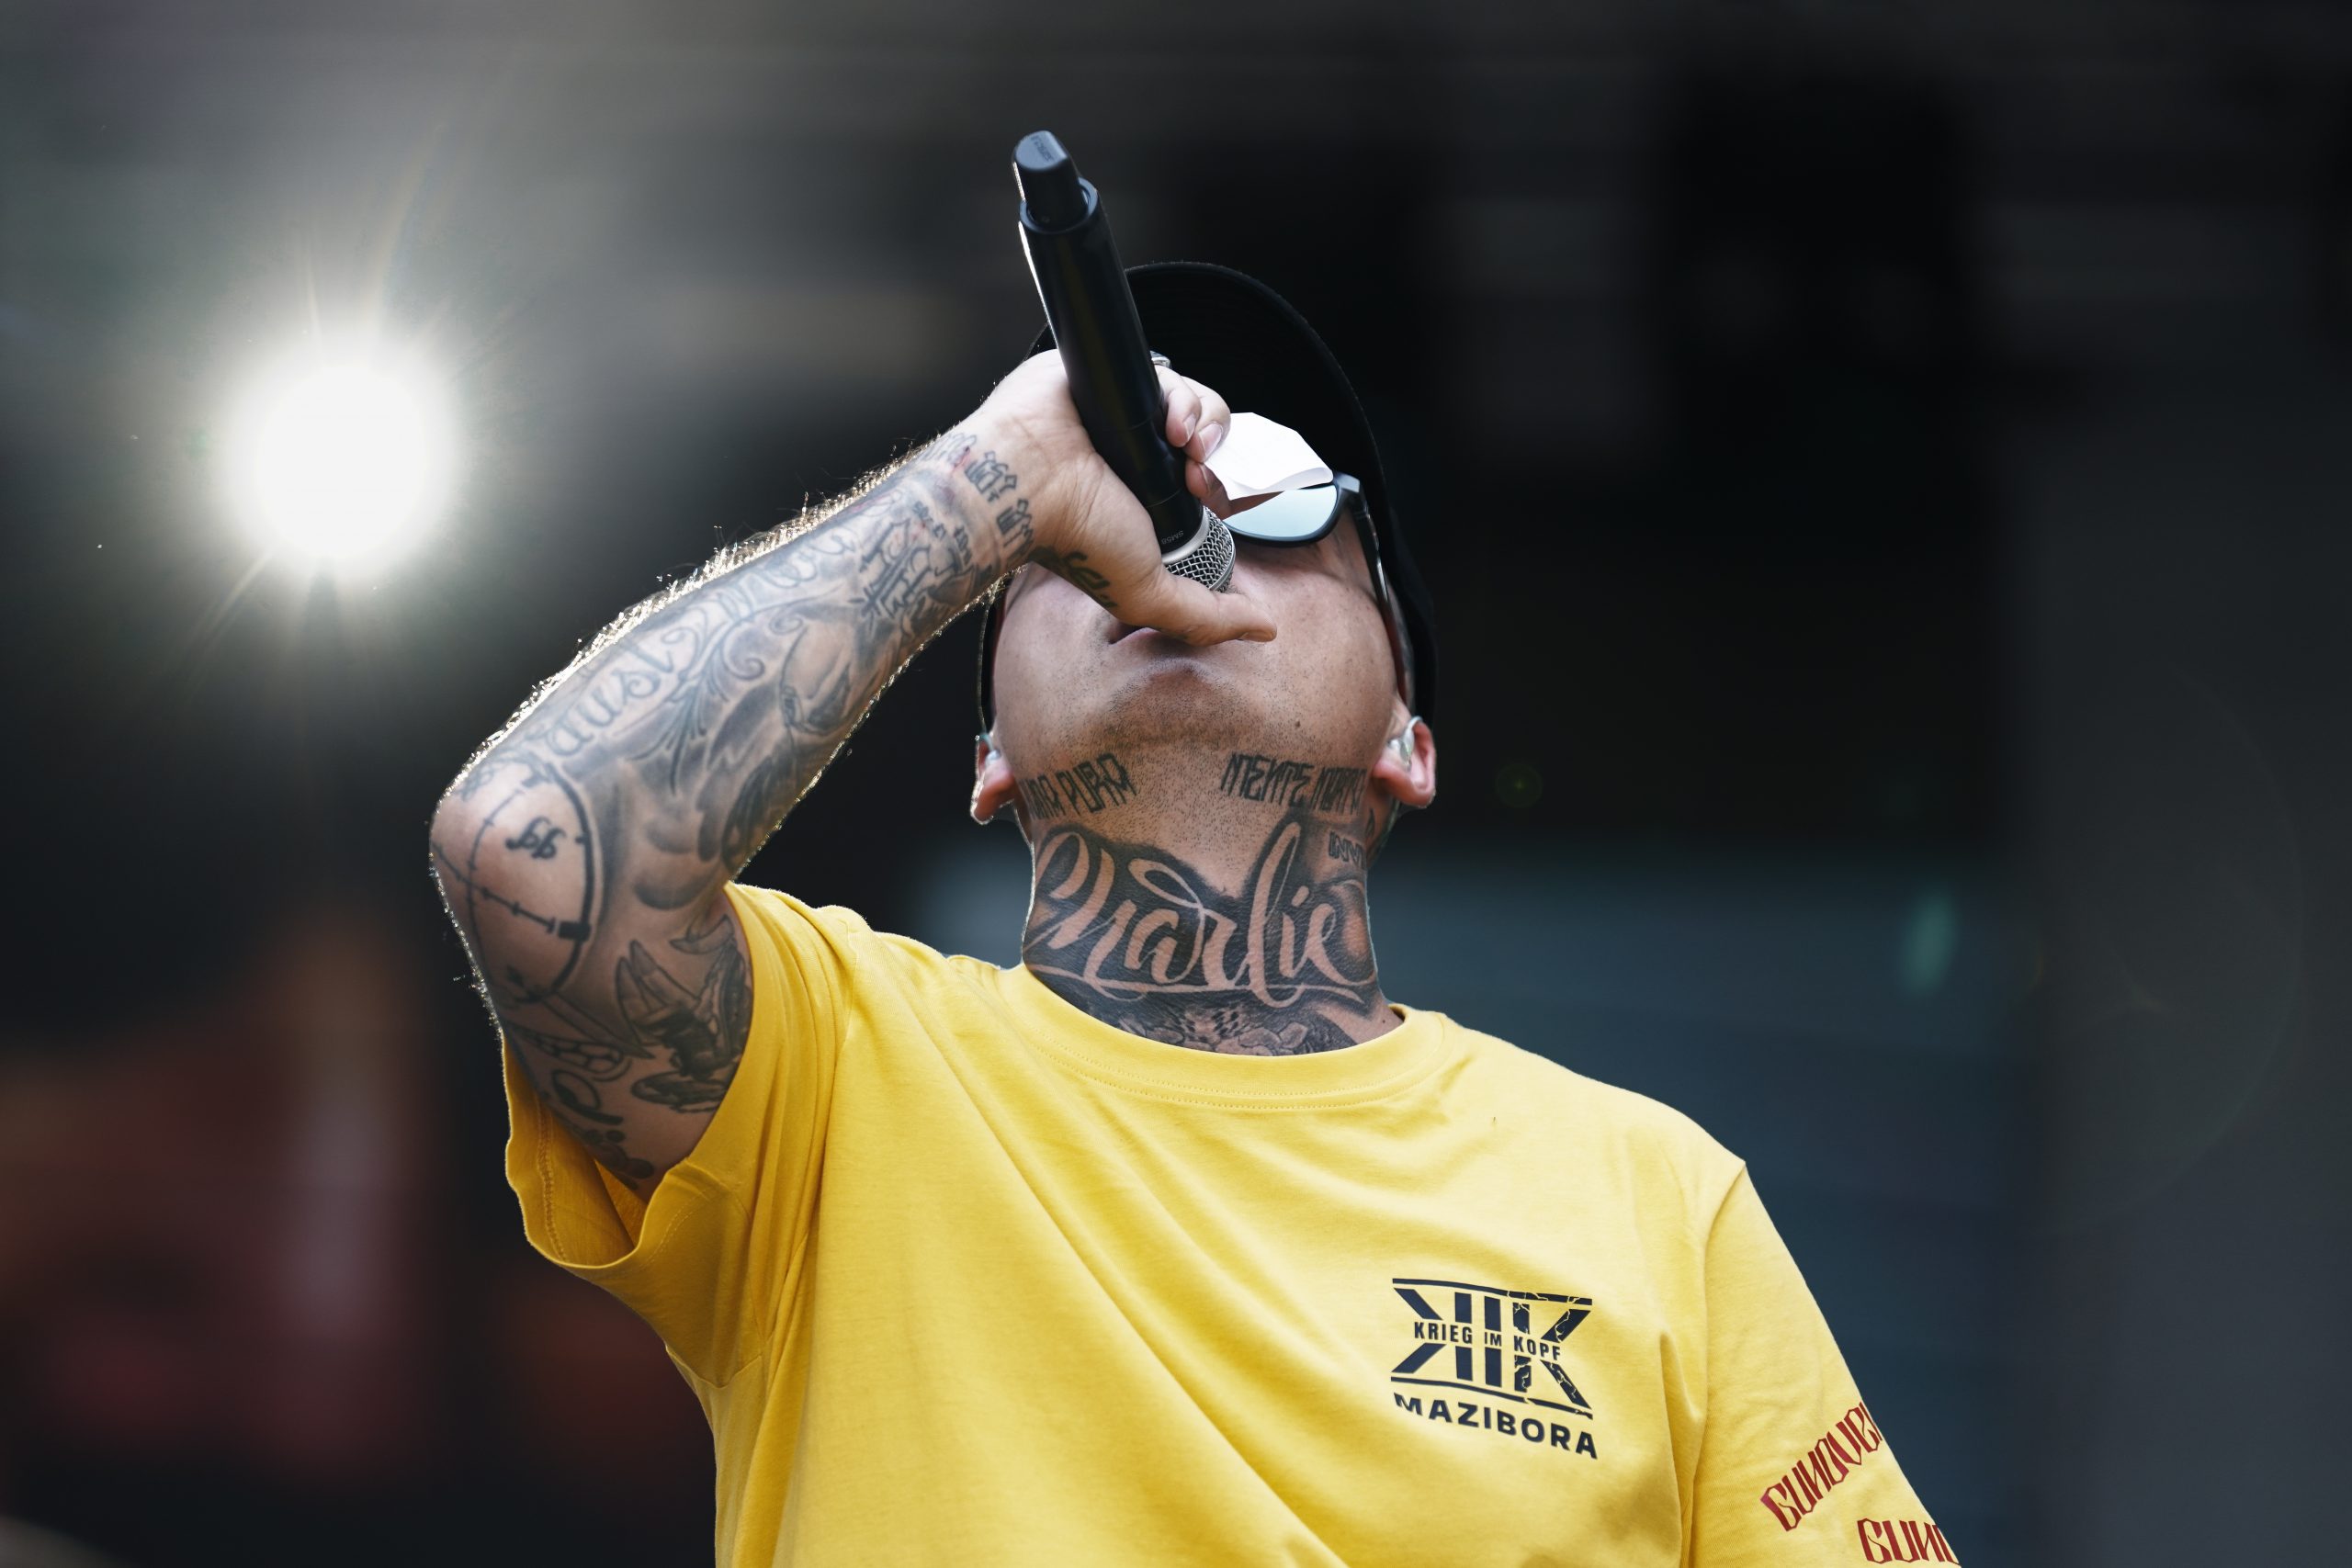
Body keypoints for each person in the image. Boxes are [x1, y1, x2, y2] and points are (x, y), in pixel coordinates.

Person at [429, 263, 1960, 1566]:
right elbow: (528, 853)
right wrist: (988, 484)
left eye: (1280, 515)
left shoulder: (1651, 1198)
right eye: (1088, 539)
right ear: (991, 760)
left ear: (1408, 738)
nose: (1186, 546)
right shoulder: (830, 1083)